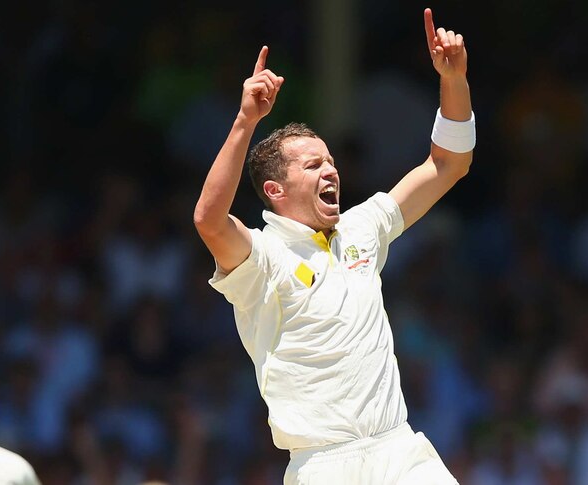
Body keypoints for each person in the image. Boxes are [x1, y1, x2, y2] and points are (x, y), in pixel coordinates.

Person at [193, 8, 473, 484]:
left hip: (398, 450)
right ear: (275, 191)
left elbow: (449, 165)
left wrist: (455, 79)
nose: (330, 172)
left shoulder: (363, 226)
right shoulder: (262, 257)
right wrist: (245, 120)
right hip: (323, 466)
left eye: (330, 162)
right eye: (312, 166)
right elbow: (209, 220)